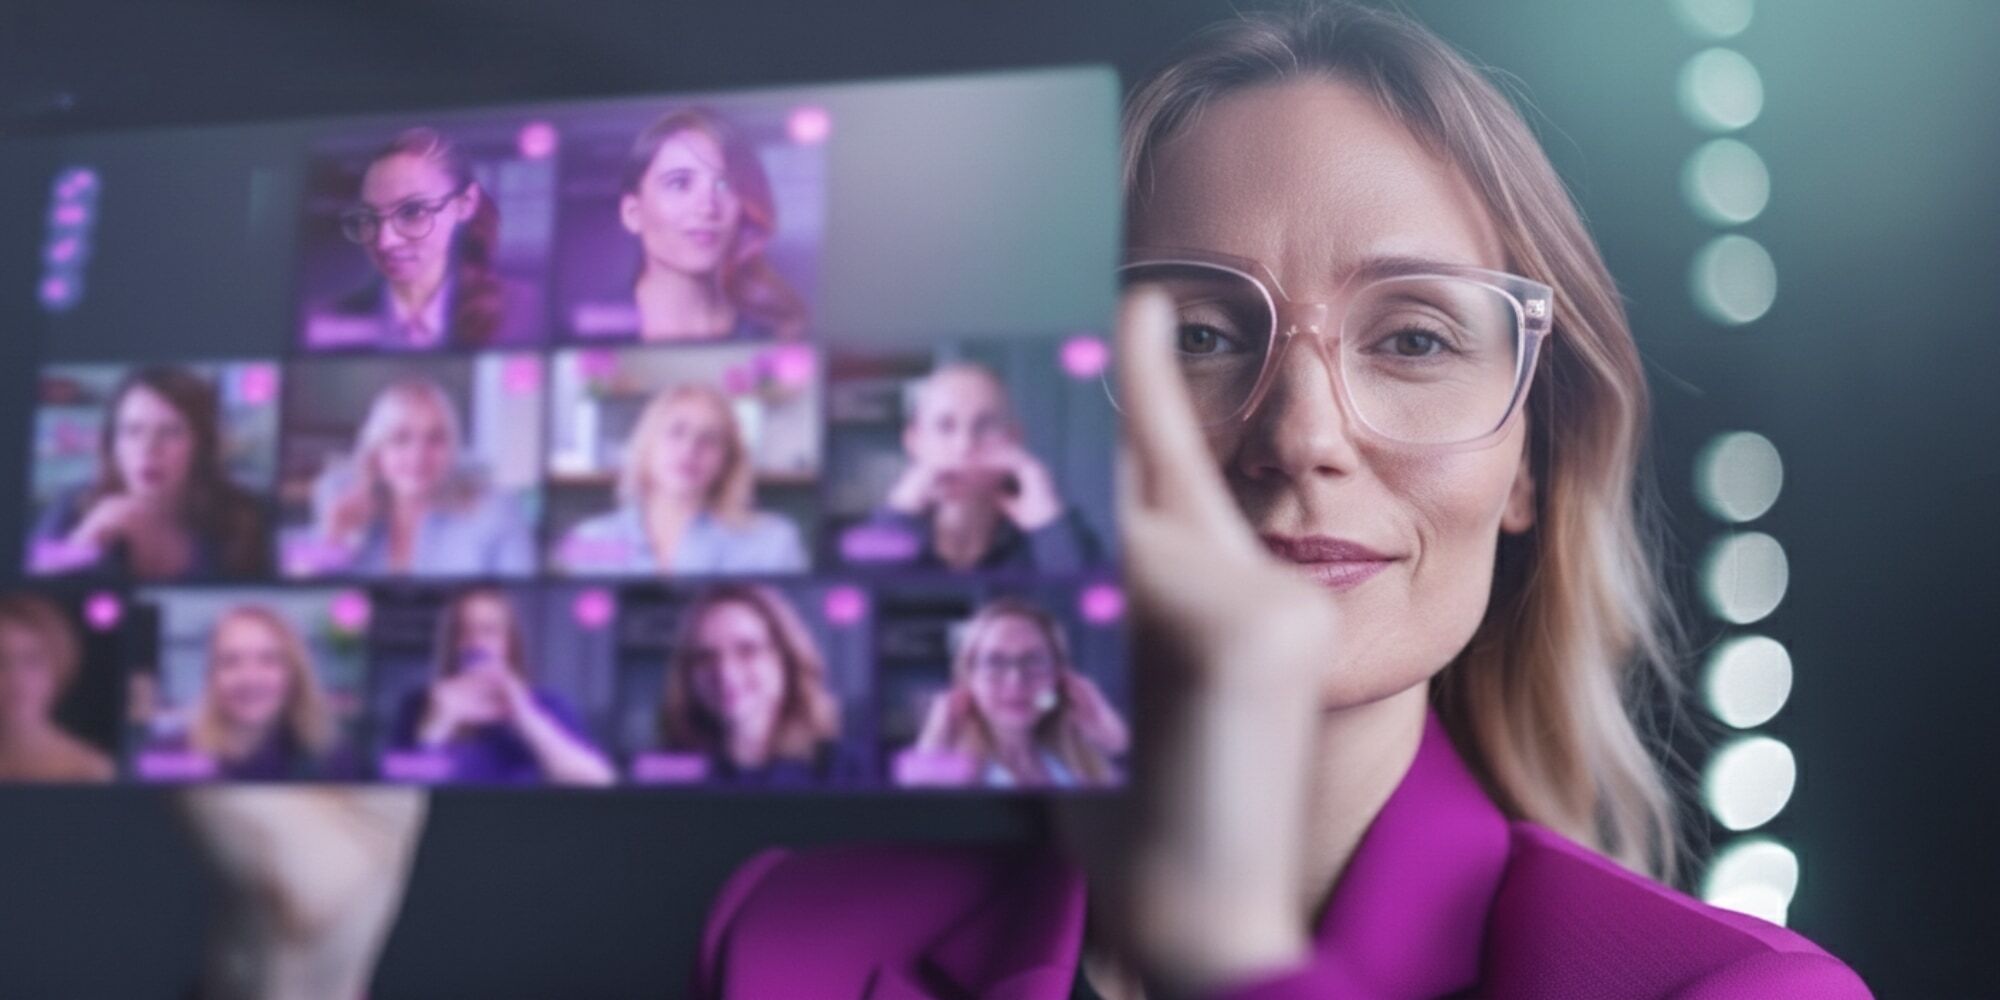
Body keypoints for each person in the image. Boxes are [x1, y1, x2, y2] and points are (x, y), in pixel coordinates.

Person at [170, 6, 1871, 997]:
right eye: (1198, 334)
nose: (1299, 431)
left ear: (1530, 460)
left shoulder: (1730, 997)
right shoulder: (796, 944)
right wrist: (290, 963)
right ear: (1076, 411)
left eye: (1415, 337)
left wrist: (1216, 948)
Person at [843, 361, 1101, 572]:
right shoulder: (867, 539)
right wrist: (900, 513)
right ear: (914, 441)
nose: (964, 445)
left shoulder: (1063, 535)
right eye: (945, 425)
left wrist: (1048, 526)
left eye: (985, 425)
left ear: (1014, 439)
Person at [305, 126, 539, 351]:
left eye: (412, 212)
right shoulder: (324, 322)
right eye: (369, 218)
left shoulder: (526, 311)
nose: (385, 242)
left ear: (465, 204)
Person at [28, 366, 270, 581]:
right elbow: (29, 581)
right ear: (113, 444)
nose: (149, 449)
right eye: (133, 431)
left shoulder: (243, 514)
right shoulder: (75, 504)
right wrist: (88, 538)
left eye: (170, 431)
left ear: (202, 444)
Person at [556, 383, 808, 575]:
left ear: (726, 463)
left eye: (710, 438)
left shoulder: (773, 544)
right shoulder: (589, 540)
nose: (690, 449)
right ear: (647, 446)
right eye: (676, 432)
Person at [306, 377, 535, 577]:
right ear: (376, 452)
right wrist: (333, 538)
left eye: (435, 439)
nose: (418, 456)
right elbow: (315, 595)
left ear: (452, 450)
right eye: (401, 438)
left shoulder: (496, 510)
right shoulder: (339, 496)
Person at [386, 587, 614, 786]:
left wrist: (524, 715)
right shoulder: (419, 705)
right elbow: (392, 791)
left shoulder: (547, 704)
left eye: (489, 631)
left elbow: (599, 779)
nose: (476, 643)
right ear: (450, 644)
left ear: (510, 642)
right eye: (463, 632)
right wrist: (438, 727)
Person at [616, 108, 807, 341]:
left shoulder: (777, 336)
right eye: (680, 183)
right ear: (632, 213)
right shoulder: (589, 325)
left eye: (725, 185)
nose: (708, 207)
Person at [904, 596, 1126, 789]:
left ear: (1058, 679)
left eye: (1034, 661)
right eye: (995, 662)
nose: (1016, 680)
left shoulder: (1080, 766)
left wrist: (1115, 742)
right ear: (969, 679)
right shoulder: (947, 773)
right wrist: (931, 752)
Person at [656, 584, 843, 786]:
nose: (726, 673)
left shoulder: (842, 770)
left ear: (786, 660)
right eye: (705, 657)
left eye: (747, 650)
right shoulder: (664, 774)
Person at [147, 605, 358, 782]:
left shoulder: (334, 762)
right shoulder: (166, 758)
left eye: (268, 660)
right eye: (230, 661)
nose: (249, 678)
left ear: (295, 674)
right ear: (212, 677)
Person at [0, 593, 114, 782]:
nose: (16, 679)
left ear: (57, 667)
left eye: (31, 661)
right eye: (1, 662)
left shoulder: (91, 771)